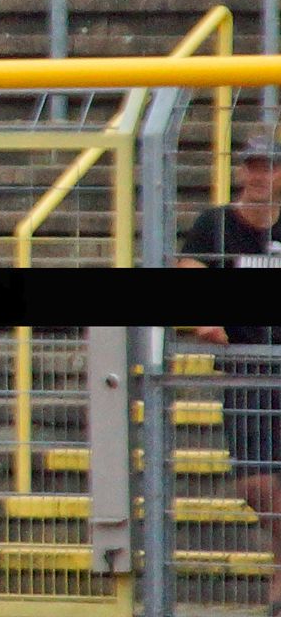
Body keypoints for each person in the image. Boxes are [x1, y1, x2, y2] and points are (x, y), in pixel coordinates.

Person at [180, 133, 281, 615]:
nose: (260, 176)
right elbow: (188, 268)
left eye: (270, 167)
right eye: (253, 166)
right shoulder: (216, 224)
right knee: (254, 484)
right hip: (245, 367)